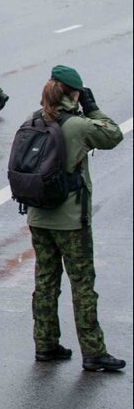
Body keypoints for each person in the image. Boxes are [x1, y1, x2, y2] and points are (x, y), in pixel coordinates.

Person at [25, 66, 125, 372]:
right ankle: (93, 352)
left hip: (38, 216)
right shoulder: (78, 125)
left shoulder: (32, 120)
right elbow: (113, 135)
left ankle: (46, 345)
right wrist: (93, 108)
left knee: (45, 281)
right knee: (82, 285)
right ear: (74, 94)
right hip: (71, 220)